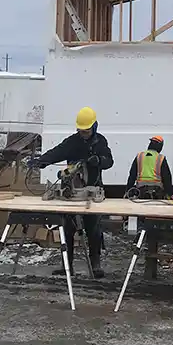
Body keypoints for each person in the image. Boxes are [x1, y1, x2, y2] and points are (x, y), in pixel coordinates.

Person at [33, 106, 113, 278]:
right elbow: (58, 152)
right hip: (72, 194)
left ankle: (95, 265)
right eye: (81, 131)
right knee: (67, 229)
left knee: (93, 230)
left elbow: (109, 161)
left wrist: (98, 160)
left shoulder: (101, 142)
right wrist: (42, 161)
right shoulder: (73, 142)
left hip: (92, 192)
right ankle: (66, 265)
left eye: (86, 131)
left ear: (94, 127)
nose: (83, 134)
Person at [125, 136, 173, 200]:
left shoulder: (140, 156)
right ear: (160, 146)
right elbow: (167, 178)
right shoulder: (161, 158)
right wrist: (171, 194)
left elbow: (132, 175)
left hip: (141, 190)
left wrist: (128, 191)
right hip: (157, 191)